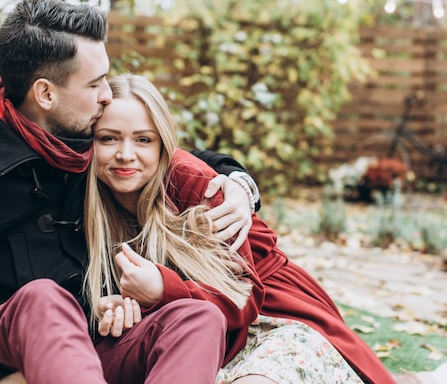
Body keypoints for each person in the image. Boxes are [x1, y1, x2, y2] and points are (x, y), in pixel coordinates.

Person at [0, 0, 260, 384]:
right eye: (95, 83)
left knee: (196, 316)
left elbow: (165, 153)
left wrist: (238, 183)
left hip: (91, 350)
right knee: (42, 298)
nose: (107, 96)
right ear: (46, 94)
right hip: (5, 350)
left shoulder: (89, 144)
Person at [84, 73, 397, 384]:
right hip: (191, 325)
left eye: (143, 139)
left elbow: (243, 296)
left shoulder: (196, 184)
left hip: (267, 310)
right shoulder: (86, 197)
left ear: (163, 142)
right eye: (108, 138)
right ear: (89, 140)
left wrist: (162, 290)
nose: (126, 154)